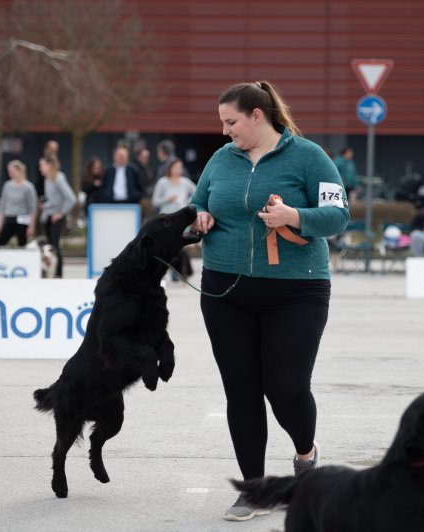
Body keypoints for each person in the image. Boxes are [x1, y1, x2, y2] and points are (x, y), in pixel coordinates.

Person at [190, 80, 349, 522]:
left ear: (257, 116)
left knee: (286, 387)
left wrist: (292, 216)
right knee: (240, 391)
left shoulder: (309, 156)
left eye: (231, 121)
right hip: (224, 290)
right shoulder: (222, 159)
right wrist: (199, 216)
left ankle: (305, 453)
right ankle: (254, 490)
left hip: (297, 291)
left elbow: (338, 216)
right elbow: (198, 202)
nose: (224, 132)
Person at [152, 158, 197, 280]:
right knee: (164, 248)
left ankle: (176, 273)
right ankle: (161, 273)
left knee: (179, 248)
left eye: (180, 167)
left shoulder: (185, 182)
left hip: (180, 221)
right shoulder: (163, 182)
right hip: (165, 221)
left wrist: (188, 202)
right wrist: (168, 199)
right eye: (176, 167)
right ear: (170, 168)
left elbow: (198, 193)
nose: (178, 170)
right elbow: (155, 201)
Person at [39, 155, 76, 278]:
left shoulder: (58, 178)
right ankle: (51, 272)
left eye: (42, 165)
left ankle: (58, 274)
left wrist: (60, 213)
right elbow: (53, 199)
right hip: (48, 216)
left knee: (54, 247)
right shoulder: (47, 179)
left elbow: (71, 199)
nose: (40, 168)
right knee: (49, 245)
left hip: (57, 217)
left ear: (49, 165)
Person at [0, 160, 37, 247]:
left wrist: (31, 226)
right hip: (9, 219)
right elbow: (3, 206)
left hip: (22, 221)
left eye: (12, 171)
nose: (10, 173)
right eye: (9, 171)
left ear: (19, 171)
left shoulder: (28, 187)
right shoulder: (7, 185)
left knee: (22, 245)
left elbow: (32, 208)